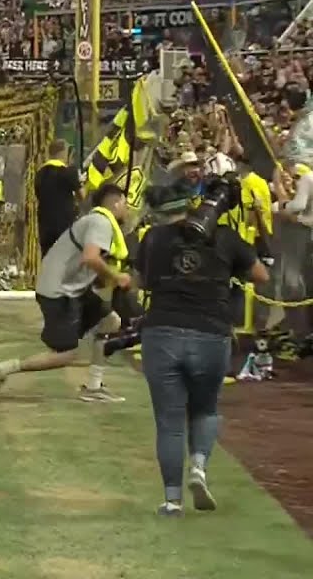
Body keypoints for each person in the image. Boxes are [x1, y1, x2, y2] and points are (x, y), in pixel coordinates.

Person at [133, 183, 269, 516]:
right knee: (205, 409)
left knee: (169, 421)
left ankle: (171, 500)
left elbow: (140, 282)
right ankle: (198, 466)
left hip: (162, 331)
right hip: (211, 332)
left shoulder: (152, 237)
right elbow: (261, 275)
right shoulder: (224, 236)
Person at [0, 183, 129, 402]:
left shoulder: (96, 221)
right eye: (125, 203)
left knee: (110, 321)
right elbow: (91, 258)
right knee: (66, 355)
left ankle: (94, 387)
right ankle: (1, 371)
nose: (127, 208)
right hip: (58, 291)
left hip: (72, 289)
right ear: (115, 203)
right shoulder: (101, 222)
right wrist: (116, 277)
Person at [35, 139, 83, 257]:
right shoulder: (68, 172)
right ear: (64, 152)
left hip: (45, 225)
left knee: (48, 258)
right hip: (64, 225)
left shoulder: (40, 173)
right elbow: (82, 196)